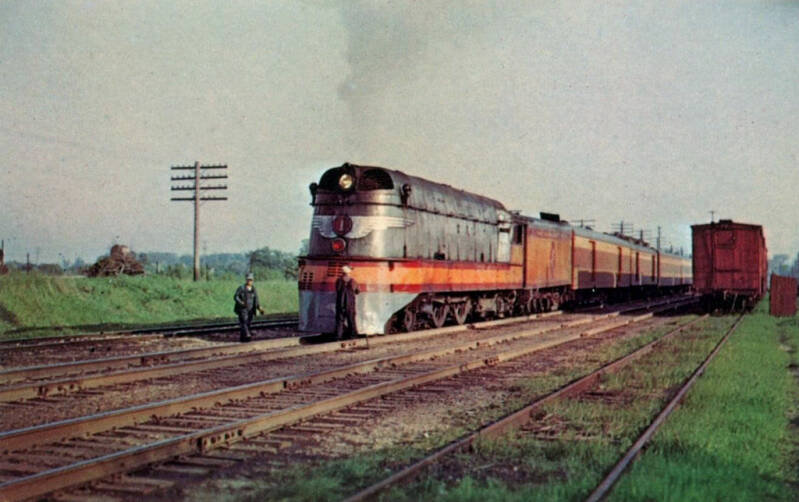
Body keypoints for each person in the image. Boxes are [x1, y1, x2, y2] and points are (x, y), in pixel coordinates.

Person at [234, 272, 264, 342]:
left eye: (251, 280)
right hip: (243, 309)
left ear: (253, 280)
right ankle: (247, 335)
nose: (249, 281)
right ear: (246, 280)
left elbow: (256, 299)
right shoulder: (241, 288)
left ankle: (243, 339)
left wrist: (259, 308)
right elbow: (236, 296)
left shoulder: (253, 289)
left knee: (248, 323)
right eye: (248, 280)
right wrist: (241, 302)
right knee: (244, 322)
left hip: (250, 309)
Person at [335, 265, 360, 340]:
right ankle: (352, 335)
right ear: (349, 272)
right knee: (351, 320)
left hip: (340, 303)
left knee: (339, 321)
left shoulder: (338, 281)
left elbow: (337, 289)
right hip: (350, 304)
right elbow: (357, 291)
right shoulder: (353, 281)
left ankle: (338, 336)